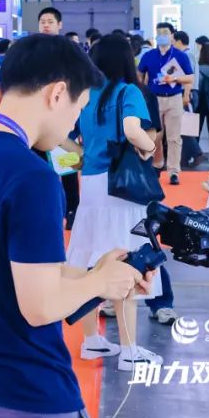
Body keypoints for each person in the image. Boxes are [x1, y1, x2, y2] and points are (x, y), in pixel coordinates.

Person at [0, 33, 151, 418]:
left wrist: (96, 275)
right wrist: (99, 284)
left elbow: (3, 267)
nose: (73, 123)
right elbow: (41, 306)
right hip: (21, 387)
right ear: (57, 93)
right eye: (77, 109)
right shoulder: (32, 176)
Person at [66, 34, 163, 371]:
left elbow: (63, 135)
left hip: (91, 184)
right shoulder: (128, 92)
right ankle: (129, 350)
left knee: (89, 261)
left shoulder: (85, 94)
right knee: (127, 263)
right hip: (122, 187)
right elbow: (133, 129)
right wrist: (149, 149)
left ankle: (91, 341)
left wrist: (83, 153)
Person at [138, 22, 194, 185]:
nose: (162, 35)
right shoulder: (149, 55)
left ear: (172, 36)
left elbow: (190, 77)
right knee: (156, 135)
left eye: (165, 32)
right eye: (159, 32)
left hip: (174, 98)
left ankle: (174, 171)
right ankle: (157, 164)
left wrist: (174, 79)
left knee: (174, 137)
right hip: (154, 99)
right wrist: (142, 90)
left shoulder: (180, 56)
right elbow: (139, 73)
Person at [173, 31, 205, 168]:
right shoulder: (188, 54)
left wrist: (186, 95)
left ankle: (196, 153)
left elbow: (188, 78)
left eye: (173, 41)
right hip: (190, 93)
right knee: (185, 126)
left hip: (188, 93)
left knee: (183, 127)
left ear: (179, 41)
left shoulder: (186, 55)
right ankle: (185, 158)